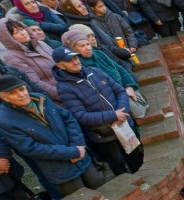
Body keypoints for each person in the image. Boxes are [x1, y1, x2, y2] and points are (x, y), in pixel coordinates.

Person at [0, 75, 103, 199]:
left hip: (81, 157)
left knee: (102, 191)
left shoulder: (41, 98)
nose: (21, 94)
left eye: (22, 89)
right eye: (13, 93)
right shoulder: (5, 120)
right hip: (60, 170)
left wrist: (77, 146)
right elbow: (31, 148)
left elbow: (68, 119)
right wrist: (71, 152)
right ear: (4, 97)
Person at [52, 46, 144, 176]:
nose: (76, 61)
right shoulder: (64, 88)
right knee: (117, 162)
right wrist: (113, 115)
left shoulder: (95, 71)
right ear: (60, 66)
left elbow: (120, 91)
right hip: (103, 133)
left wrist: (122, 112)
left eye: (75, 57)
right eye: (69, 60)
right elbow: (81, 116)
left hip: (123, 123)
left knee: (135, 155)